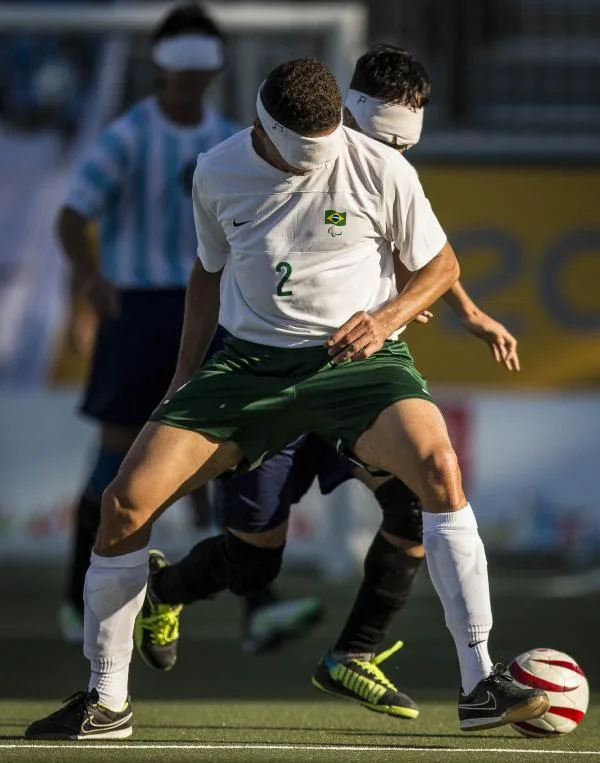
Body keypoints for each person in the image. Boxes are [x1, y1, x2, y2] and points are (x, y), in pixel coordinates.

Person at [25, 57, 547, 741]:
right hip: (246, 367)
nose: (321, 160)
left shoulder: (382, 166)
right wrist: (184, 378)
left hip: (357, 366)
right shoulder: (216, 172)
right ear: (263, 127)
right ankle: (106, 698)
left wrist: (385, 319)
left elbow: (440, 265)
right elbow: (206, 276)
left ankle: (476, 679)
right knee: (131, 506)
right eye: (306, 152)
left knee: (437, 475)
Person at [56, 2, 321, 652]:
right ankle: (75, 595)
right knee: (117, 459)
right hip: (139, 311)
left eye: (202, 69)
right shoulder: (128, 135)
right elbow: (71, 215)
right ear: (163, 67)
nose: (192, 81)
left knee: (237, 452)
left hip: (216, 309)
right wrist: (91, 280)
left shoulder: (235, 138)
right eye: (183, 68)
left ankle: (258, 605)